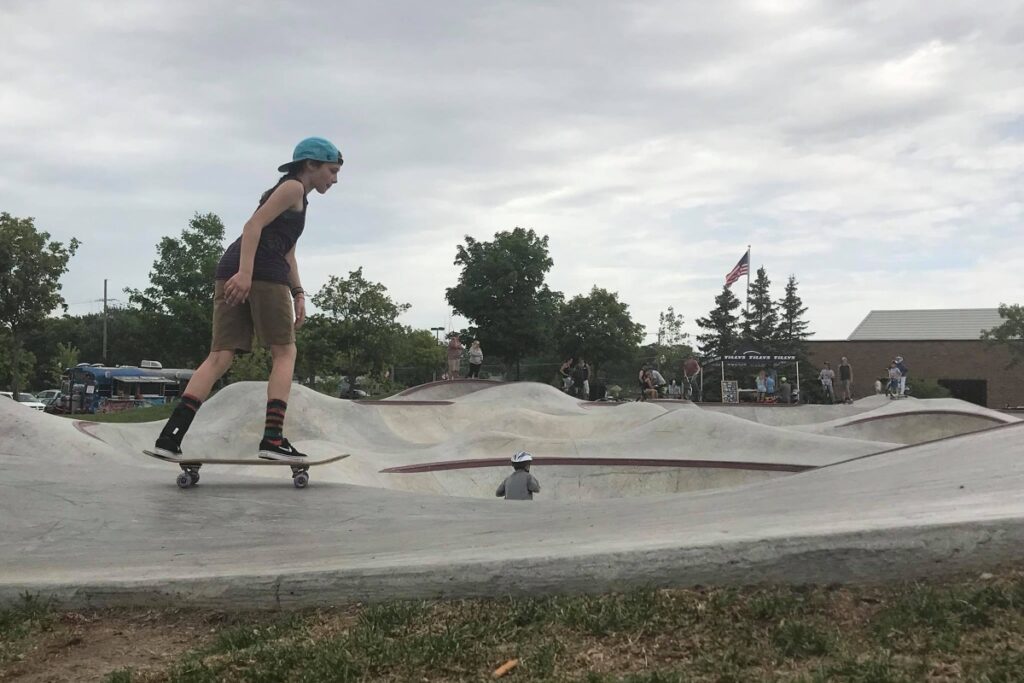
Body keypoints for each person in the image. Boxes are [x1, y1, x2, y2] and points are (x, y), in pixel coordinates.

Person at [152, 137, 344, 462]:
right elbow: (252, 225)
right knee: (285, 352)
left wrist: (298, 293)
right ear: (311, 165)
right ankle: (272, 440)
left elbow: (289, 253)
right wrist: (246, 272)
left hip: (234, 269)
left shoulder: (293, 197)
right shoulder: (294, 188)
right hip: (259, 273)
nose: (334, 179)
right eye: (332, 171)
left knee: (219, 357)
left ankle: (170, 436)